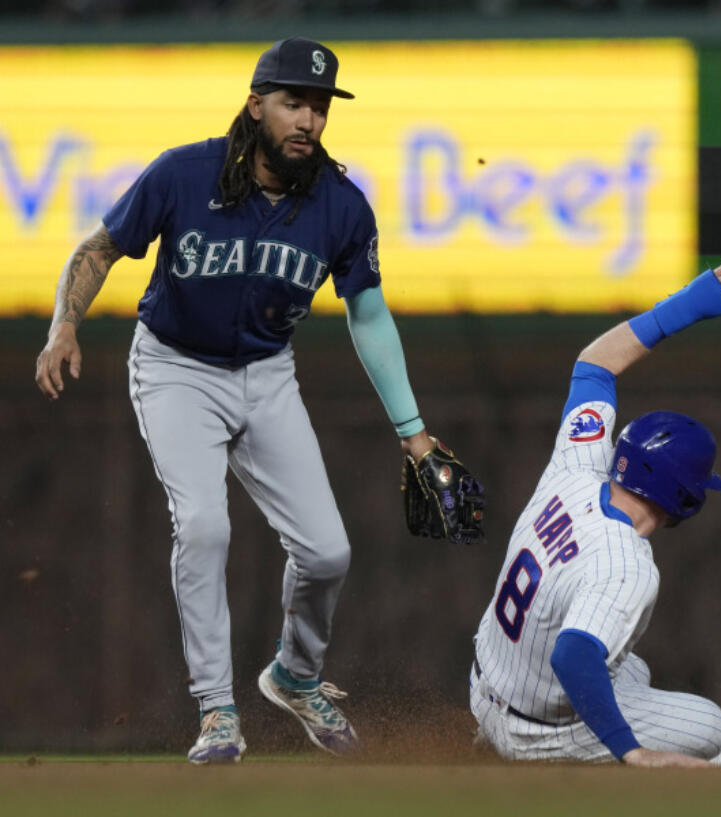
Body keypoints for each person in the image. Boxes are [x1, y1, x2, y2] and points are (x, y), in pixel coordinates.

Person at [34, 38, 446, 764]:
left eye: (319, 107)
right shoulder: (184, 173)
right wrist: (64, 324)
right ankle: (218, 710)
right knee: (202, 526)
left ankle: (295, 673)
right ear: (256, 105)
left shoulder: (341, 206)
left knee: (327, 551)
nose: (308, 121)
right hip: (174, 368)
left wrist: (411, 429)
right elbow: (99, 249)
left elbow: (369, 313)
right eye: (293, 103)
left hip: (266, 371)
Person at [469, 257, 721, 767]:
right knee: (709, 725)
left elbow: (595, 364)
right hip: (533, 734)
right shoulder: (626, 565)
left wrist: (686, 307)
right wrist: (634, 754)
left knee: (630, 670)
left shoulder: (576, 464)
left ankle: (499, 732)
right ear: (685, 499)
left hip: (485, 682)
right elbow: (573, 656)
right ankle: (558, 757)